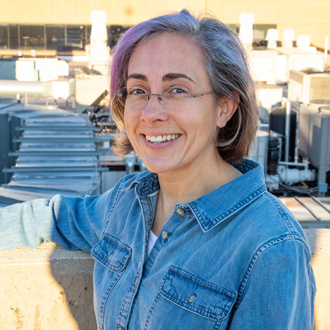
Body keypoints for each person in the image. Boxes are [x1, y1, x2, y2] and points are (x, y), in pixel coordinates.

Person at [0, 10, 315, 330]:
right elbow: (54, 217)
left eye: (177, 89)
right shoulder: (127, 202)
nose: (151, 112)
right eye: (138, 90)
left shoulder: (271, 246)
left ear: (224, 107)